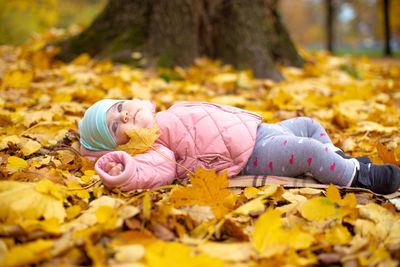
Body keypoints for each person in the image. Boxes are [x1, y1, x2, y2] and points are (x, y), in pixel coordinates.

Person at [78, 99, 400, 194]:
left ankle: (339, 160)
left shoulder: (168, 111)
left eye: (120, 107)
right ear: (122, 144)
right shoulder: (156, 149)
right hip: (248, 157)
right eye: (117, 126)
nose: (125, 116)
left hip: (257, 129)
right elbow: (153, 172)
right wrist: (126, 170)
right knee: (306, 152)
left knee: (309, 125)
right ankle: (359, 177)